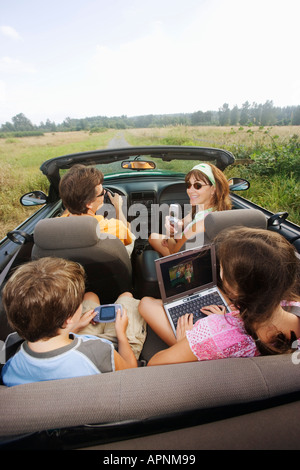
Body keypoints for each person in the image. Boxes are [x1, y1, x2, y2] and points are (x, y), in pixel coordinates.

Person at [138, 227, 300, 366]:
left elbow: (155, 362)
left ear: (235, 291)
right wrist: (229, 318)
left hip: (207, 344)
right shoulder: (295, 306)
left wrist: (185, 341)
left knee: (145, 303)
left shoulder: (212, 331)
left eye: (222, 268)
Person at [1, 257, 140, 387]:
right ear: (68, 319)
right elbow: (130, 372)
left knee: (90, 297)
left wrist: (75, 327)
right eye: (79, 302)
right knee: (125, 297)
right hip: (107, 353)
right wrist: (121, 333)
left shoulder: (10, 359)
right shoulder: (98, 351)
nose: (81, 303)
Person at [148, 163, 232, 256]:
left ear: (213, 189)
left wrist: (170, 236)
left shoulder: (202, 223)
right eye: (189, 185)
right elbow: (183, 223)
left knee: (152, 239)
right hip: (192, 250)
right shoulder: (204, 210)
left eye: (197, 185)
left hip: (184, 260)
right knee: (153, 237)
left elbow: (175, 252)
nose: (190, 190)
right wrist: (175, 225)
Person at [59, 164, 134, 250]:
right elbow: (126, 236)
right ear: (89, 203)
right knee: (128, 227)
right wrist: (118, 207)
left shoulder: (54, 227)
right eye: (102, 193)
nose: (105, 192)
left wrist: (72, 199)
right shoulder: (113, 227)